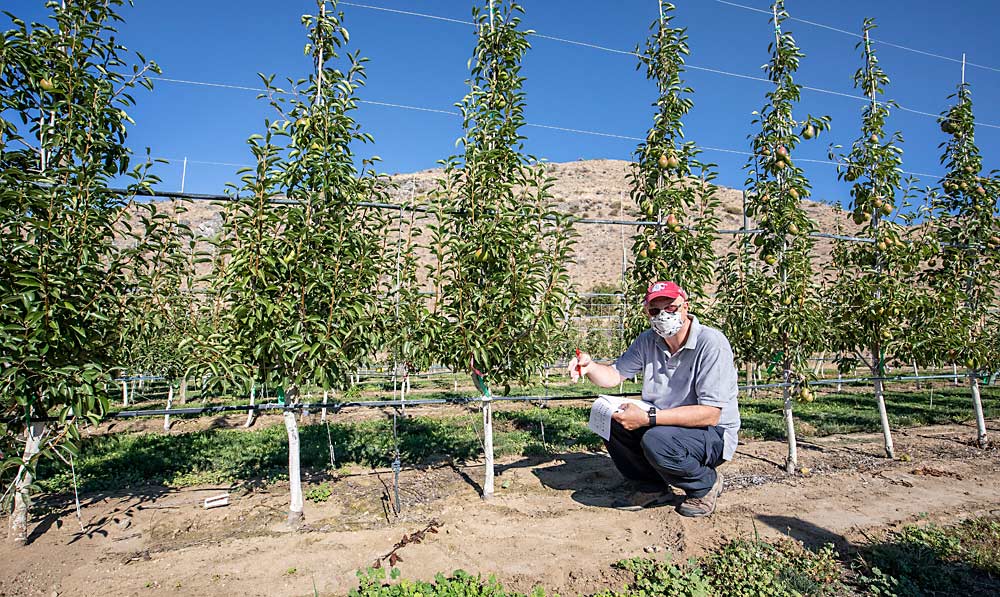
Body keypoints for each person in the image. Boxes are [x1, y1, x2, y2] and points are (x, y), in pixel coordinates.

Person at [568, 281, 740, 517]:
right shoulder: (648, 340)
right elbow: (615, 374)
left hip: (712, 433)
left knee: (657, 440)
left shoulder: (711, 344)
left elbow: (711, 414)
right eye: (655, 311)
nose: (663, 315)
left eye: (670, 308)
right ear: (647, 313)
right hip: (664, 425)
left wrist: (649, 418)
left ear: (685, 306)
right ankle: (650, 487)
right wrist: (590, 367)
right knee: (610, 416)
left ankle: (704, 483)